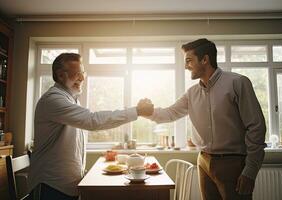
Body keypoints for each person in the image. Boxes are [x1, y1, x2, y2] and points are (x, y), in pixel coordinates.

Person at [143, 38, 266, 199]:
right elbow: (170, 113)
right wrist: (147, 112)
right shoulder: (192, 93)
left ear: (205, 59)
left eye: (189, 61)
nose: (186, 66)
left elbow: (256, 127)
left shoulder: (238, 83)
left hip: (233, 163)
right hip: (203, 161)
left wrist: (250, 170)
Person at [28, 53, 154, 200]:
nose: (82, 78)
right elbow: (92, 120)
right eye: (77, 74)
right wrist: (136, 111)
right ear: (61, 75)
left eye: (83, 73)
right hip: (50, 187)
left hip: (65, 186)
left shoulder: (71, 100)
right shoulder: (53, 100)